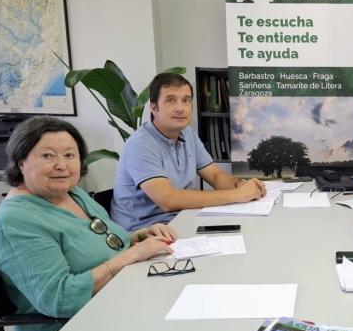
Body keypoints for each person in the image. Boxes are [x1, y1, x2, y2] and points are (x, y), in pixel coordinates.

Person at [0, 116, 176, 331]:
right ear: (21, 162)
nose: (61, 165)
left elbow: (102, 243)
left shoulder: (72, 194)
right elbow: (59, 299)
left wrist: (140, 236)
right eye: (47, 156)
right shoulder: (16, 222)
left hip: (118, 303)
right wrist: (132, 254)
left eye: (69, 155)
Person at [111, 73, 266, 231]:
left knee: (249, 230)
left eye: (186, 100)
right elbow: (168, 200)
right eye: (171, 100)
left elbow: (215, 175)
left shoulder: (188, 134)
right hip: (145, 232)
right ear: (154, 108)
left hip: (182, 219)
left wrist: (239, 185)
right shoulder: (140, 144)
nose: (180, 108)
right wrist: (238, 194)